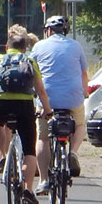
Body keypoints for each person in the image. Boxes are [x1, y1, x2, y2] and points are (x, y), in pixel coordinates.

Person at [0, 24, 52, 204]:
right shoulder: (30, 61)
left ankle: (2, 156)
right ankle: (28, 189)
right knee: (29, 150)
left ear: (6, 47)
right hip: (23, 105)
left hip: (1, 103)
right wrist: (47, 110)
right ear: (25, 48)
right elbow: (41, 90)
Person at [31, 13, 89, 192]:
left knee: (43, 137)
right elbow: (84, 74)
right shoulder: (76, 46)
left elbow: (31, 71)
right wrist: (84, 94)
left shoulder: (39, 46)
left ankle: (43, 180)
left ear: (48, 31)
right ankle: (72, 153)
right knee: (79, 125)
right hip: (73, 97)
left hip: (47, 98)